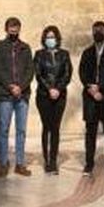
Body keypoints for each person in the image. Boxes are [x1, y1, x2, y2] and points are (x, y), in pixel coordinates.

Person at [0, 16, 34, 178]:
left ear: (19, 29)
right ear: (6, 29)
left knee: (21, 130)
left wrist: (21, 87)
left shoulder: (25, 48)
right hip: (5, 95)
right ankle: (3, 163)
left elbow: (30, 70)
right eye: (11, 27)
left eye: (16, 27)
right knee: (3, 130)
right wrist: (10, 86)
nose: (14, 30)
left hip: (22, 95)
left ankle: (20, 164)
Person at [78, 20, 104, 177]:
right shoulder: (87, 52)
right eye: (95, 30)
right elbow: (82, 72)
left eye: (101, 30)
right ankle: (89, 164)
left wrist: (100, 87)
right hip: (90, 98)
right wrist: (91, 88)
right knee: (90, 133)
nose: (98, 33)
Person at [32, 25, 71, 175]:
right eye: (48, 37)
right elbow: (38, 74)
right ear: (44, 39)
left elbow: (67, 74)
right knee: (46, 126)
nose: (50, 39)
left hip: (60, 96)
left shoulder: (64, 54)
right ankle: (47, 160)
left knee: (55, 128)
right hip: (43, 96)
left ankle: (54, 161)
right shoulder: (39, 54)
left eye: (53, 37)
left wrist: (58, 89)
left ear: (57, 38)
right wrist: (49, 89)